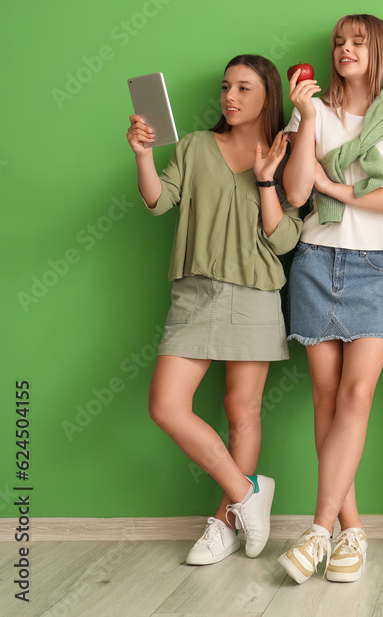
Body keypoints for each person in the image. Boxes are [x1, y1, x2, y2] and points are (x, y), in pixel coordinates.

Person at [127, 54, 302, 566]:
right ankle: (247, 494)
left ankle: (225, 522)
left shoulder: (285, 152)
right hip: (195, 292)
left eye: (245, 88)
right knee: (167, 406)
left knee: (240, 411)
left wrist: (268, 179)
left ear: (268, 96)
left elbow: (286, 236)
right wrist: (142, 155)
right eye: (227, 87)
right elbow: (160, 201)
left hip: (254, 293)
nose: (230, 96)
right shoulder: (196, 146)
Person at [277, 14, 383, 585]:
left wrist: (338, 187)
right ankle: (351, 529)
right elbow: (294, 192)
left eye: (357, 42)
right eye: (339, 42)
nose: (345, 49)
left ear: (379, 50)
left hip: (375, 267)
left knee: (357, 396)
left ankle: (318, 529)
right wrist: (307, 118)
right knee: (325, 400)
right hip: (315, 261)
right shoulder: (310, 112)